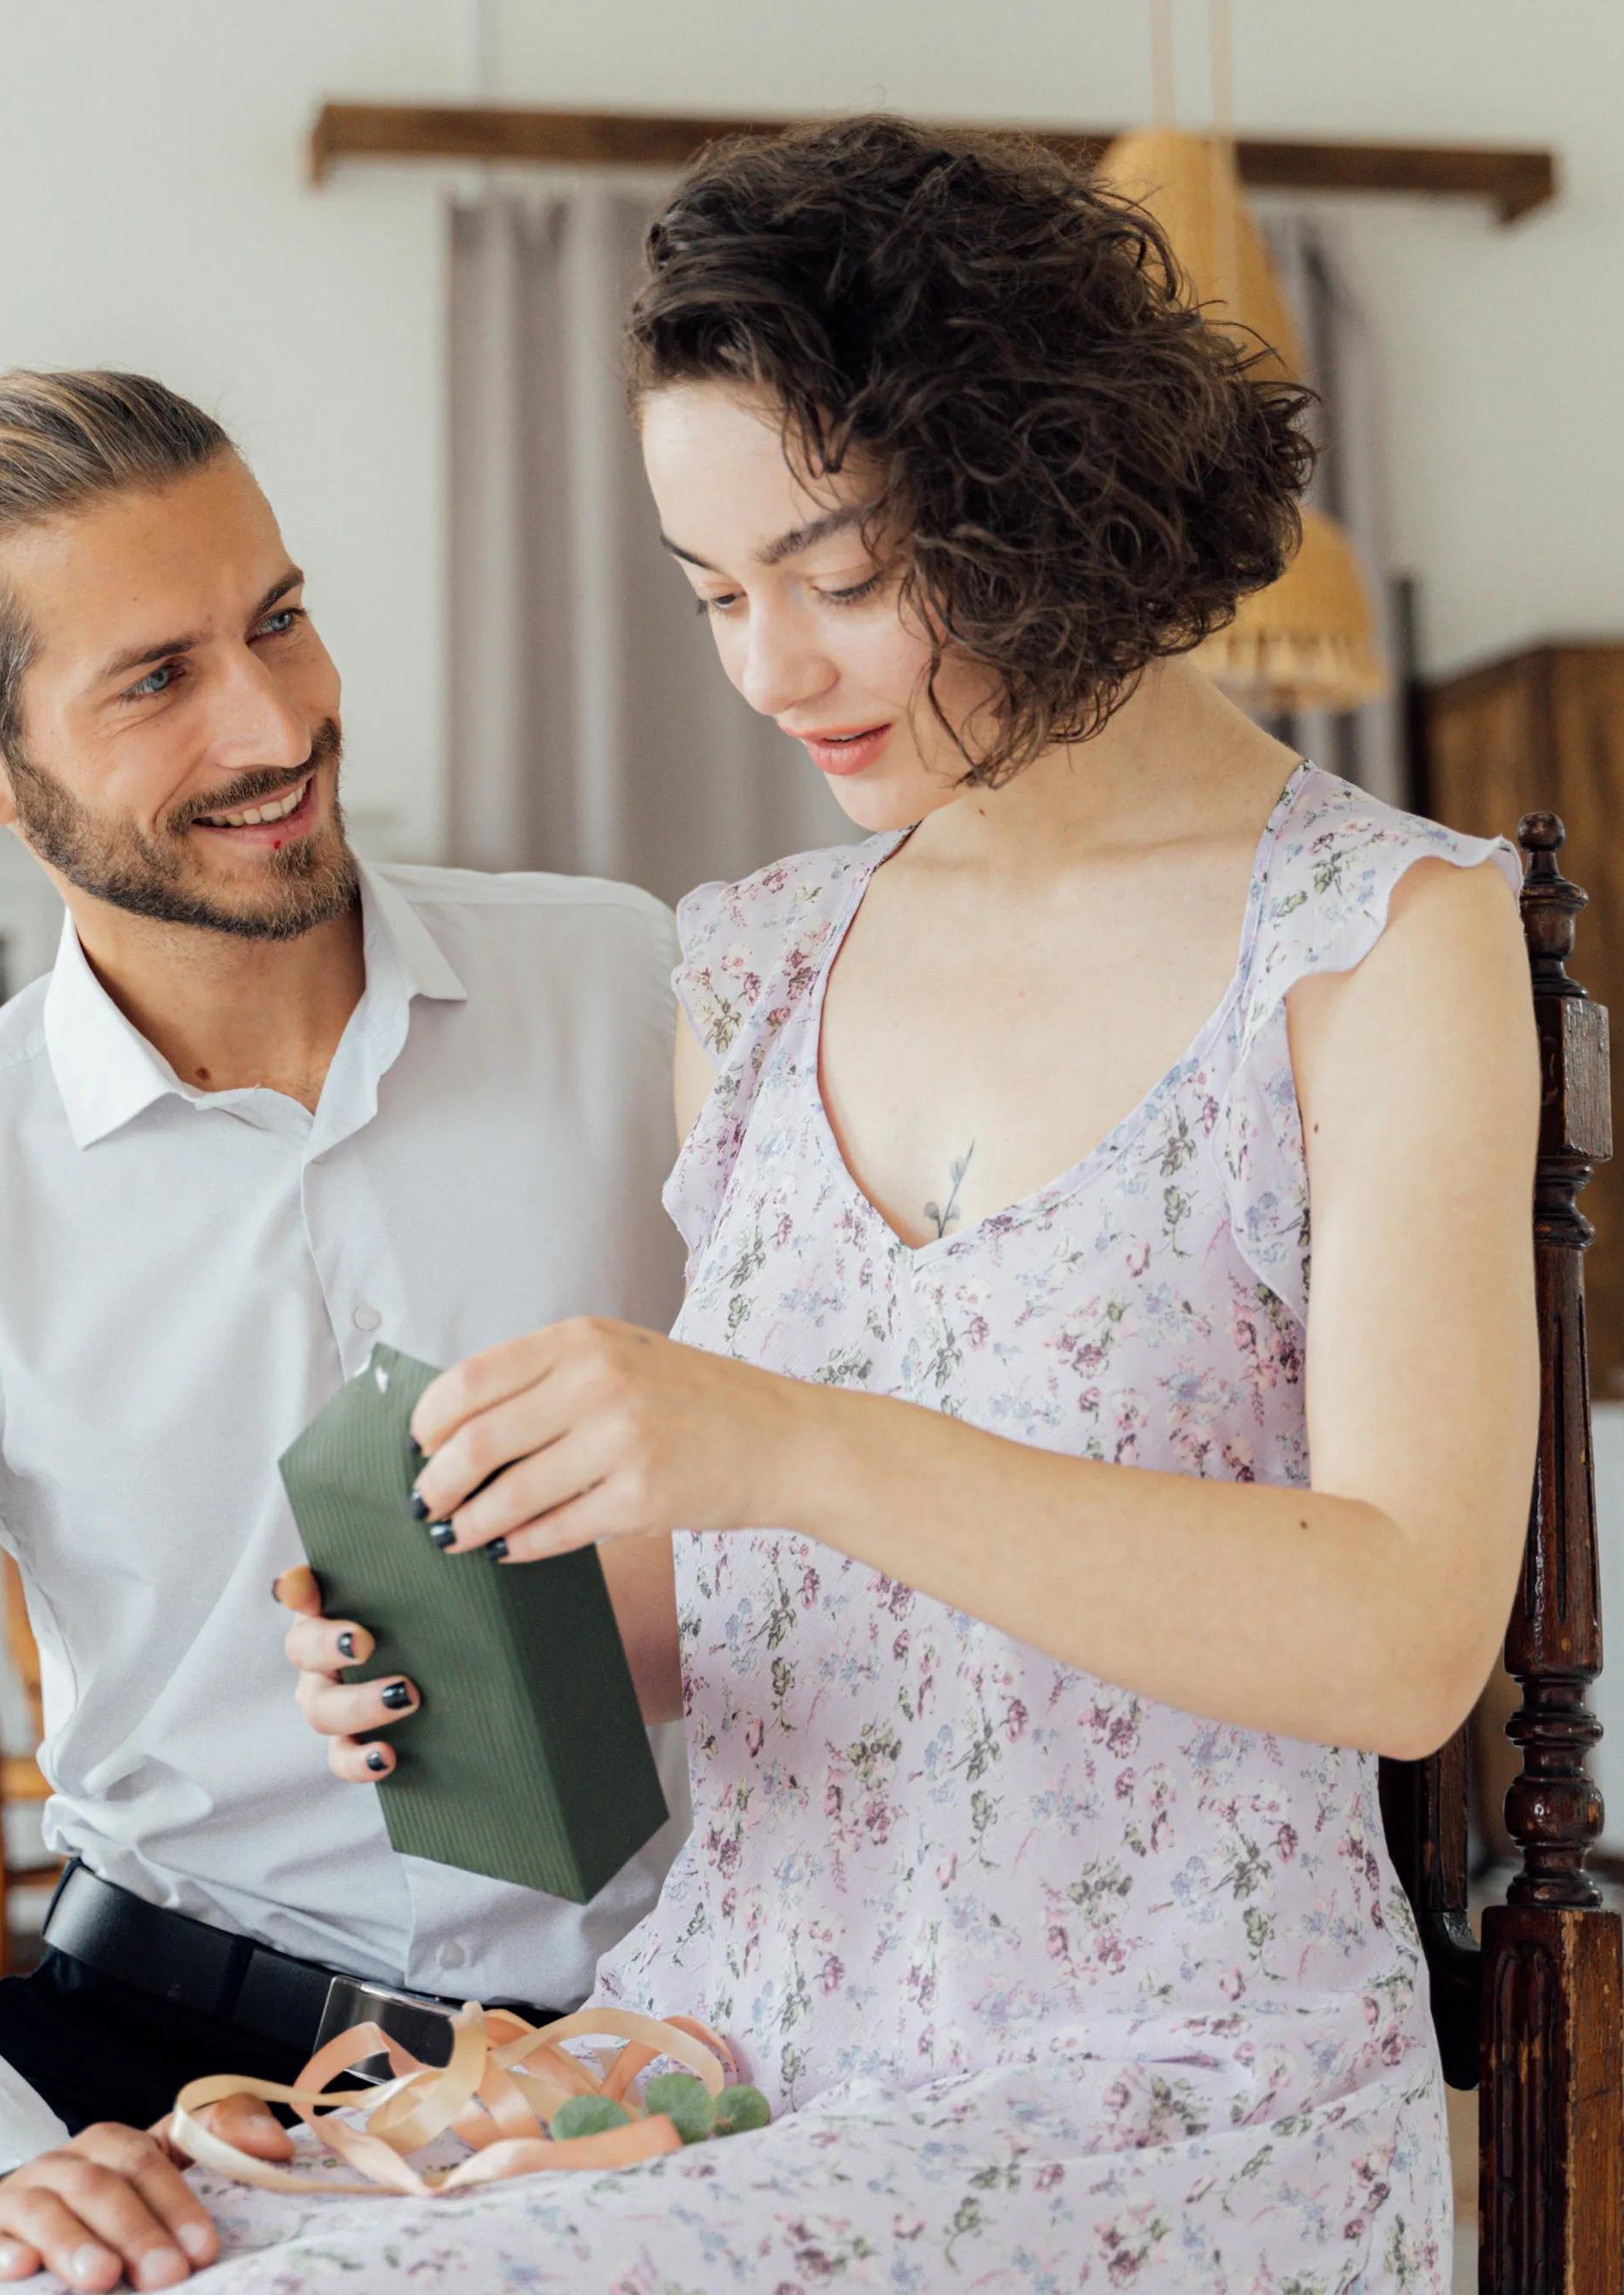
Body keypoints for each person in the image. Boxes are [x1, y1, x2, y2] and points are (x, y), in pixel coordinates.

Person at [245, 116, 1541, 2290]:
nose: (767, 667)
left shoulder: (1375, 940)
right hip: (733, 2046)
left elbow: (1404, 1636)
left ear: (1051, 491)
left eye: (838, 575)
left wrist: (789, 1438)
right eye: (715, 593)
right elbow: (785, 1599)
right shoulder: (753, 964)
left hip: (1166, 2092)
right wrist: (486, 1626)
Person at [0, 370, 690, 2295]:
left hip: (690, 2013)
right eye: (156, 679)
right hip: (177, 2044)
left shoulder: (632, 990)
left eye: (279, 619)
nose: (278, 720)